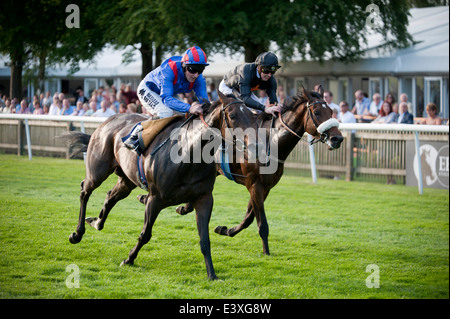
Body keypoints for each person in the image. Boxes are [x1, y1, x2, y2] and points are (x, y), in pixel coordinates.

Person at [122, 46, 210, 154]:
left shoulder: (199, 79)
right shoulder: (169, 69)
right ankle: (136, 134)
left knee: (185, 115)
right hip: (148, 89)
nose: (196, 75)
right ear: (184, 65)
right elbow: (167, 100)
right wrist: (190, 107)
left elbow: (205, 102)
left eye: (200, 70)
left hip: (168, 92)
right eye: (193, 69)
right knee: (166, 112)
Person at [218, 51, 281, 116]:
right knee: (242, 110)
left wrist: (275, 107)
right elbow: (246, 99)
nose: (269, 75)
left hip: (242, 90)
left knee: (260, 111)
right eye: (266, 70)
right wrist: (265, 108)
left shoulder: (271, 79)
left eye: (273, 71)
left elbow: (273, 102)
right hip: (228, 87)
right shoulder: (246, 71)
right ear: (258, 67)